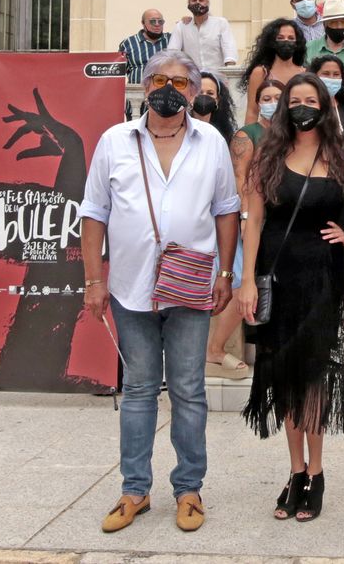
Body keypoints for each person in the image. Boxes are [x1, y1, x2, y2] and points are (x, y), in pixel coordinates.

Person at [79, 50, 241, 534]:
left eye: (180, 82)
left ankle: (189, 490)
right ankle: (135, 490)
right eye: (158, 80)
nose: (168, 89)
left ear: (193, 91)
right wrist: (94, 280)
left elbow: (226, 210)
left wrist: (225, 274)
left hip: (190, 287)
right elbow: (94, 213)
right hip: (130, 287)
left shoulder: (211, 142)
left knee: (189, 391)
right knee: (139, 390)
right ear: (144, 86)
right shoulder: (114, 141)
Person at [235, 73, 344, 522]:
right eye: (294, 101)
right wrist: (246, 281)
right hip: (277, 274)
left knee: (313, 375)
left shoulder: (340, 154)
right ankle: (295, 470)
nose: (302, 107)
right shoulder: (268, 155)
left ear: (325, 106)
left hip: (323, 279)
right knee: (284, 373)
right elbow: (253, 221)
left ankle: (317, 471)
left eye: (311, 100)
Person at [208, 79, 288, 383]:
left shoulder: (290, 134)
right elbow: (239, 177)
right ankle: (215, 349)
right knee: (242, 283)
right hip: (249, 219)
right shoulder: (247, 134)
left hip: (280, 219)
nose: (271, 103)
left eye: (277, 97)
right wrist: (244, 216)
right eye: (266, 98)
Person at [241, 18, 307, 109]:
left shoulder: (305, 73)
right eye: (280, 38)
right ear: (272, 42)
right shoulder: (261, 73)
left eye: (291, 38)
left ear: (297, 43)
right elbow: (252, 111)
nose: (286, 41)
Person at [169, 0, 239, 68]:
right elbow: (172, 53)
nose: (197, 2)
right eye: (194, 0)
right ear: (189, 3)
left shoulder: (221, 23)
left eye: (201, 0)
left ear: (207, 3)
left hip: (217, 74)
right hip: (193, 74)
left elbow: (229, 49)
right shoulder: (181, 26)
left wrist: (229, 71)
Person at [309, 53, 344, 155]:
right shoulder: (308, 108)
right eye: (326, 74)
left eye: (336, 74)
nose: (331, 78)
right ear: (314, 76)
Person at [120, 9, 171, 85]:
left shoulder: (171, 40)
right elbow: (119, 72)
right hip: (137, 90)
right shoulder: (128, 43)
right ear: (143, 23)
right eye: (152, 21)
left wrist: (186, 22)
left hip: (165, 90)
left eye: (160, 21)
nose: (157, 24)